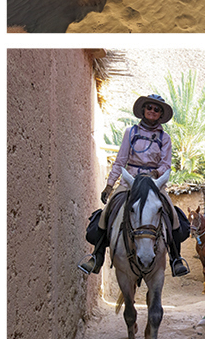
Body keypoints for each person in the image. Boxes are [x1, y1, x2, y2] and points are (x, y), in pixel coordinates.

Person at [78, 94, 190, 277]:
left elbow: (166, 165)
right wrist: (109, 184)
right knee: (107, 213)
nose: (152, 111)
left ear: (160, 114)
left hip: (154, 184)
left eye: (157, 109)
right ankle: (96, 256)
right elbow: (121, 159)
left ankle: (176, 259)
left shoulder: (165, 138)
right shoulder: (130, 132)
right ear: (143, 110)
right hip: (130, 182)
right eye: (150, 108)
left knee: (172, 215)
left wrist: (155, 174)